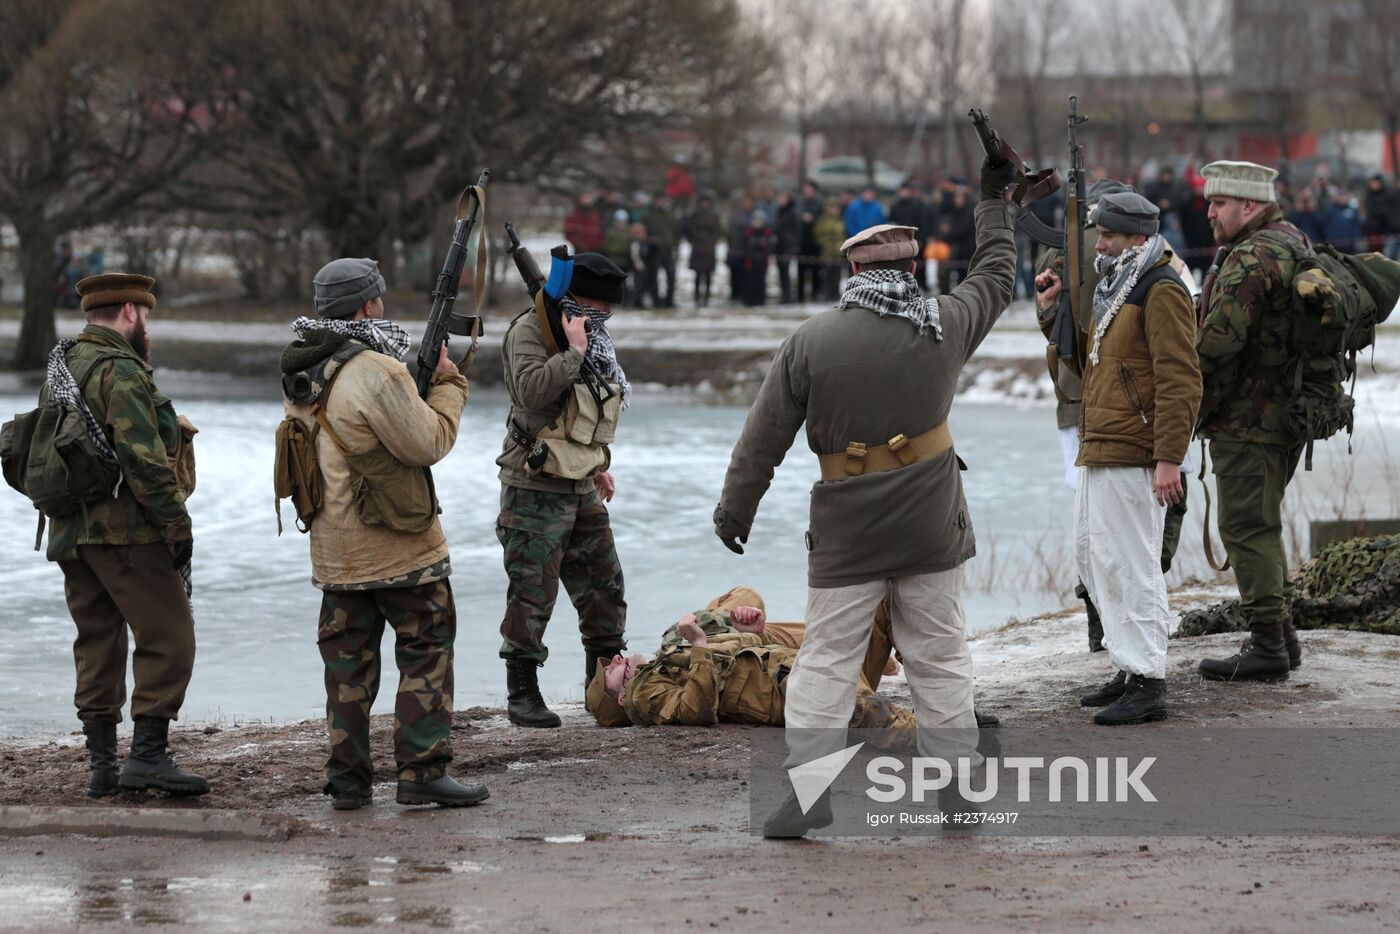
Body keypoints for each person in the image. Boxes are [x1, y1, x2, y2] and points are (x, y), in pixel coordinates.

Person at [714, 154, 1020, 837]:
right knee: (939, 656)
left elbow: (762, 438)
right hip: (929, 521)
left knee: (826, 660)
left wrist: (736, 510)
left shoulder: (810, 341)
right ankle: (956, 790)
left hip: (848, 526)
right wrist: (993, 202)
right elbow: (997, 274)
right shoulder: (945, 323)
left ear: (853, 272)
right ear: (911, 271)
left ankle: (809, 792)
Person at [279, 257, 486, 810]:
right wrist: (447, 382)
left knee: (347, 669)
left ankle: (348, 781)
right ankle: (421, 772)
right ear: (368, 304)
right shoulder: (376, 371)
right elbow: (429, 442)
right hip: (399, 549)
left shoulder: (304, 369)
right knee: (425, 649)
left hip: (335, 552)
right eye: (379, 296)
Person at [39, 273, 206, 798]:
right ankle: (149, 757)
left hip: (72, 536)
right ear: (131, 312)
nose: (147, 324)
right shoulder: (121, 371)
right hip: (126, 535)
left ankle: (102, 768)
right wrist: (178, 527)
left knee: (97, 643)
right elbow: (145, 461)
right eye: (146, 314)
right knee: (170, 638)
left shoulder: (60, 368)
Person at [1036, 194, 1201, 724]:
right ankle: (1130, 666)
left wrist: (1169, 458)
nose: (1098, 244)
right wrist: (1051, 313)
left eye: (1106, 236)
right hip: (1103, 442)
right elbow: (1091, 361)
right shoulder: (1116, 285)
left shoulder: (1160, 288)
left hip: (1136, 448)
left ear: (1134, 236)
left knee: (1132, 566)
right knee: (1097, 560)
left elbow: (1181, 379)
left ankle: (1150, 680)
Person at [496, 252, 631, 728]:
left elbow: (589, 409)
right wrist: (572, 353)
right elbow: (531, 393)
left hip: (580, 483)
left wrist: (597, 465)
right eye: (600, 308)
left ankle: (606, 686)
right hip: (533, 487)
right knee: (533, 592)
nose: (605, 319)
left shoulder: (589, 333)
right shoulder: (529, 332)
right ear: (578, 299)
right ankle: (522, 692)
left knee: (604, 588)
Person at [1195, 160, 1310, 682]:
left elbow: (1217, 342)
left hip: (1249, 417)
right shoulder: (1291, 240)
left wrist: (1179, 390)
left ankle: (1267, 646)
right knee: (1261, 523)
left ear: (1249, 205)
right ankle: (1281, 639)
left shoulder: (1251, 256)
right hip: (1283, 413)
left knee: (1245, 527)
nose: (1210, 211)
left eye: (1219, 203)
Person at [585, 588, 914, 731]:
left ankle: (945, 712)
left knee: (883, 603)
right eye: (610, 672)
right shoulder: (643, 693)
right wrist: (700, 646)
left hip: (808, 665)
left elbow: (739, 659)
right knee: (887, 723)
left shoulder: (665, 664)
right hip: (799, 685)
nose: (616, 658)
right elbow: (694, 710)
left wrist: (755, 632)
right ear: (622, 698)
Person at [888, 184, 934, 289]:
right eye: (902, 191)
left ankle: (921, 285)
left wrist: (921, 239)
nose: (904, 193)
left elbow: (922, 223)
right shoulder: (895, 206)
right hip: (899, 241)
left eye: (906, 191)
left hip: (915, 240)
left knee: (919, 265)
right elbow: (891, 223)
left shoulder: (916, 206)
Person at [682, 193, 722, 307]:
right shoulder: (693, 215)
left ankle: (707, 298)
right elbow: (687, 230)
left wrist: (712, 242)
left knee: (708, 275)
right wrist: (693, 242)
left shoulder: (714, 215)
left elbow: (718, 231)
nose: (704, 204)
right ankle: (697, 297)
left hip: (709, 249)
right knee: (698, 275)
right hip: (697, 248)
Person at [644, 194, 680, 308]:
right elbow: (645, 233)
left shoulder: (670, 215)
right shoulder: (648, 216)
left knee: (671, 276)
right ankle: (656, 301)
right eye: (658, 200)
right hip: (655, 251)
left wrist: (675, 243)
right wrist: (652, 241)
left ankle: (669, 300)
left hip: (668, 250)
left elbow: (677, 231)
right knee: (653, 278)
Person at [796, 181, 826, 303]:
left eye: (809, 189)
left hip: (815, 241)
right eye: (805, 188)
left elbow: (822, 219)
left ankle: (815, 294)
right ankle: (800, 297)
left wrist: (812, 218)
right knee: (801, 270)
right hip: (802, 241)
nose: (807, 191)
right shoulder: (800, 203)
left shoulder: (819, 203)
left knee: (815, 270)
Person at [739, 211, 776, 307]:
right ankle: (749, 301)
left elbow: (770, 246)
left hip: (762, 261)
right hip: (750, 262)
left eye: (759, 220)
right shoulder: (748, 232)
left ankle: (760, 300)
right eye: (755, 220)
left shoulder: (767, 233)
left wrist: (764, 255)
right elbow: (744, 246)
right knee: (750, 281)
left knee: (761, 282)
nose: (757, 223)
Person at [773, 191, 801, 304]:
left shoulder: (792, 212)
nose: (780, 200)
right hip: (779, 246)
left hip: (787, 247)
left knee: (786, 273)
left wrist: (793, 246)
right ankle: (784, 296)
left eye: (783, 197)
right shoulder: (779, 211)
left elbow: (796, 231)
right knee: (781, 273)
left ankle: (787, 297)